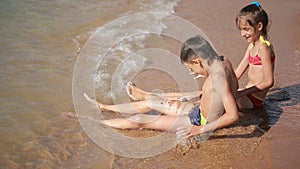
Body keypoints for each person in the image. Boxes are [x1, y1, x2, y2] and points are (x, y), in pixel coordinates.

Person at [85, 35, 239, 138]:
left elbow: (233, 115)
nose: (192, 73)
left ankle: (96, 123)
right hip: (198, 111)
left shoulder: (216, 78)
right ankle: (105, 107)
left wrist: (200, 129)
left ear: (197, 61)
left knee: (141, 119)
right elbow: (234, 88)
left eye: (191, 69)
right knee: (153, 102)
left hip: (200, 122)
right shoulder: (224, 61)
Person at [235, 2, 275, 109]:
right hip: (247, 95)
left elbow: (269, 82)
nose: (242, 34)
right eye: (241, 30)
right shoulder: (252, 45)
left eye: (246, 29)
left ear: (259, 26)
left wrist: (242, 93)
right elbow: (237, 74)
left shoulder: (263, 48)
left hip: (255, 100)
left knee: (222, 102)